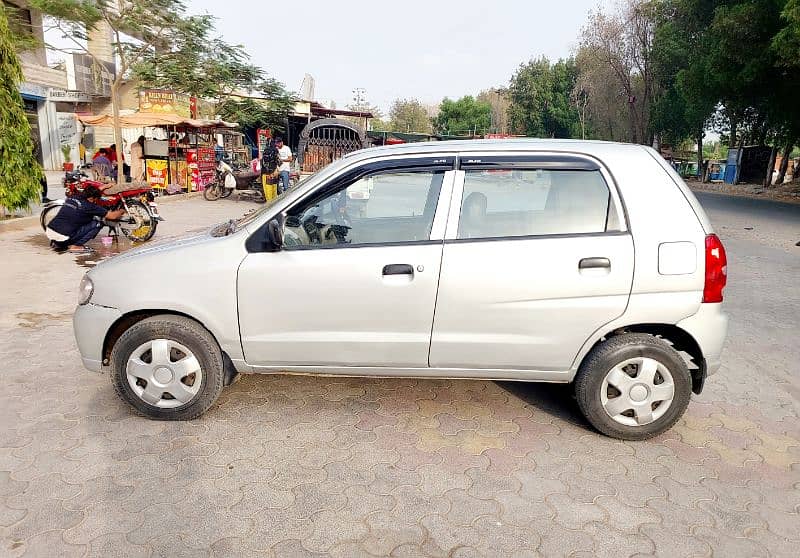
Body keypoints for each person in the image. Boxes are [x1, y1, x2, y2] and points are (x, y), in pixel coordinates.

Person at [45, 185, 125, 254]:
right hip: (63, 238)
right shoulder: (90, 206)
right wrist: (122, 210)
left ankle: (57, 243)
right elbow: (112, 216)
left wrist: (105, 186)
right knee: (98, 223)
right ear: (92, 198)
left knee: (75, 220)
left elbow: (93, 193)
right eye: (96, 199)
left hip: (50, 233)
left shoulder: (74, 196)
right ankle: (75, 246)